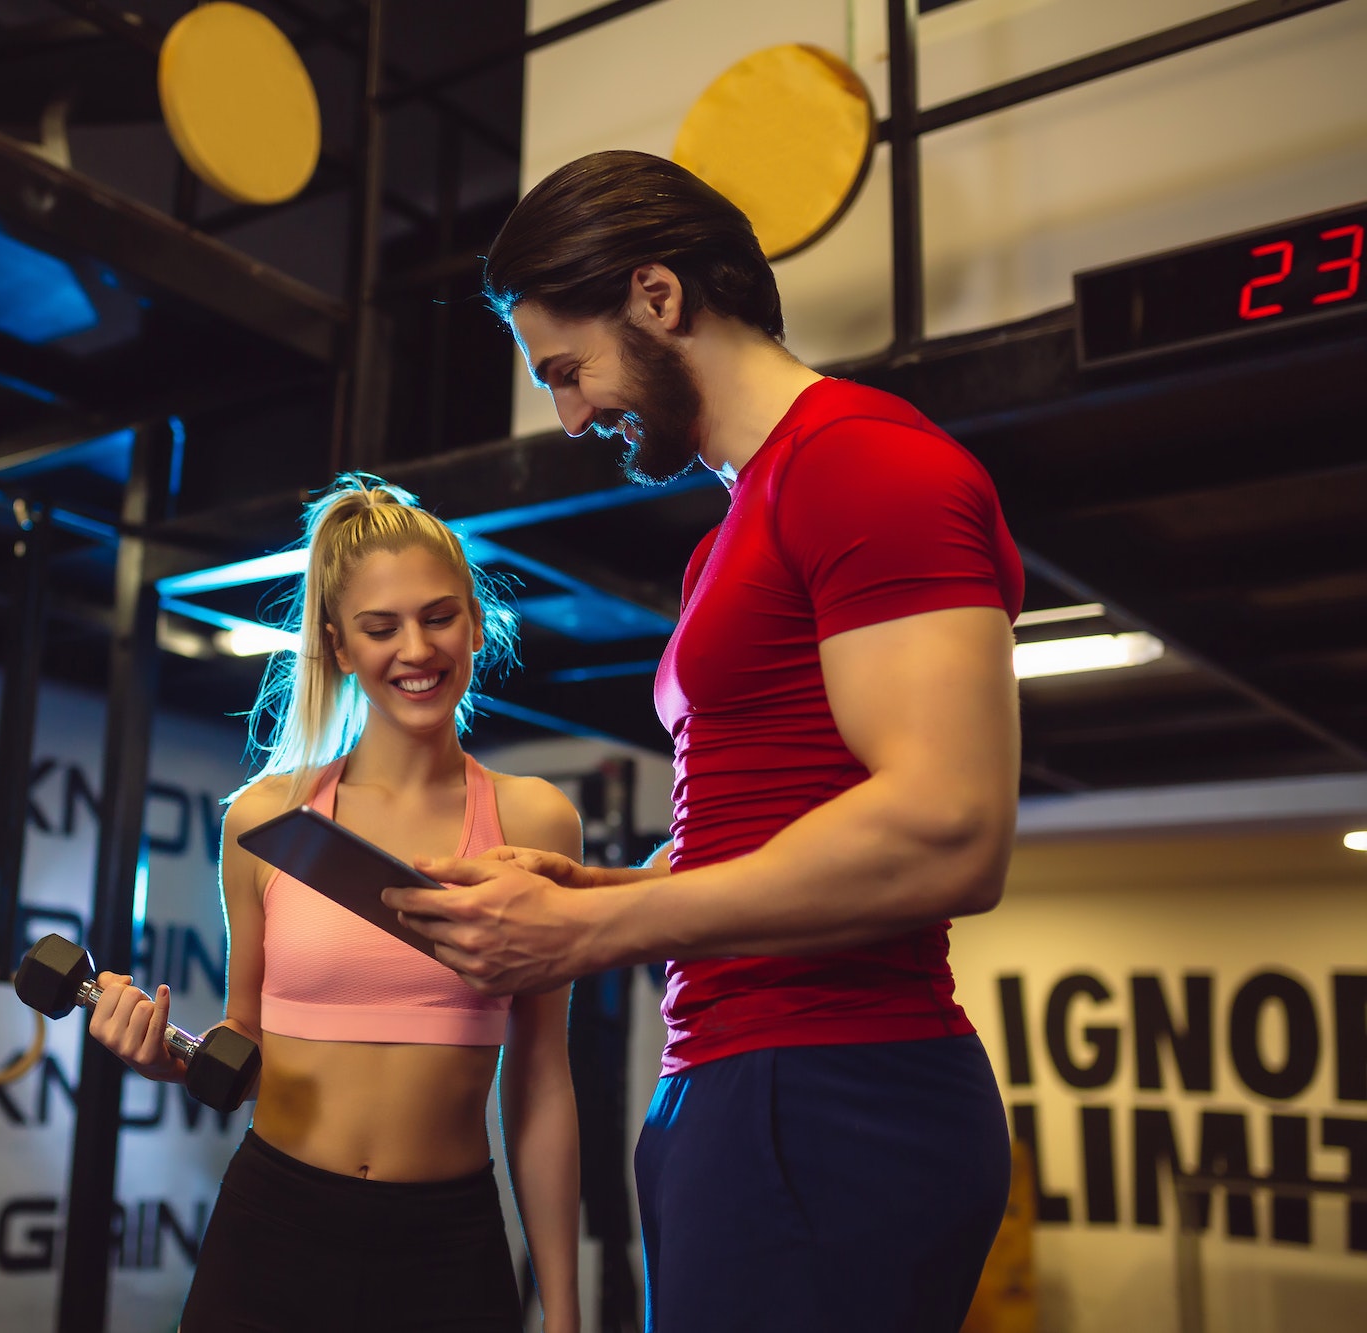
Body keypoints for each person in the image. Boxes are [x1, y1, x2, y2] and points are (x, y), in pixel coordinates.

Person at [384, 151, 1023, 1332]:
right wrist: (595, 886)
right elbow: (770, 834)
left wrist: (589, 928)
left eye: (566, 371)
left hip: (832, 1084)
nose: (570, 415)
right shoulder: (732, 527)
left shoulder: (865, 463)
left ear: (658, 296)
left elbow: (950, 827)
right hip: (737, 1083)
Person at [86, 476, 583, 1333]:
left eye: (438, 617)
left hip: (448, 1245)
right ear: (338, 644)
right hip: (273, 1224)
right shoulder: (264, 819)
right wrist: (172, 1055)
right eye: (380, 627)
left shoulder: (536, 818)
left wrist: (567, 1311)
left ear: (473, 619)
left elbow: (539, 1079)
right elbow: (246, 1037)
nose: (416, 649)